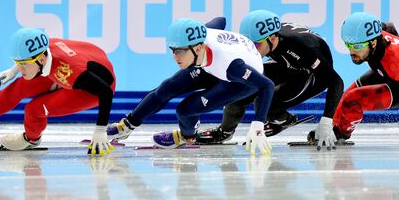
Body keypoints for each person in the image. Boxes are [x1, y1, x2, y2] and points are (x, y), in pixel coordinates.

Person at [107, 18, 275, 155]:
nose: (174, 57)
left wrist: (258, 124)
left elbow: (267, 85)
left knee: (185, 109)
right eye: (172, 50)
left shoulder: (233, 67)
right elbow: (220, 20)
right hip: (211, 63)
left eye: (180, 51)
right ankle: (127, 125)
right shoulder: (203, 34)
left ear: (198, 47)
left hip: (238, 82)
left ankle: (187, 137)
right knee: (166, 88)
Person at [0, 27, 117, 155]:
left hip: (95, 87)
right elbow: (28, 57)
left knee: (34, 109)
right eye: (17, 62)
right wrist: (13, 71)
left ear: (42, 60)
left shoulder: (70, 71)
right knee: (18, 86)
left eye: (23, 64)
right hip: (85, 58)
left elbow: (106, 92)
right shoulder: (42, 51)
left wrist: (100, 130)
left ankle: (31, 139)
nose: (20, 67)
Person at [196, 10, 344, 150]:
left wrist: (326, 122)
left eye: (255, 45)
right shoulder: (267, 40)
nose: (250, 49)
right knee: (237, 90)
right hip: (285, 64)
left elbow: (336, 81)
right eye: (247, 43)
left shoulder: (304, 47)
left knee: (268, 106)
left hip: (311, 73)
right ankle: (225, 131)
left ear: (273, 38)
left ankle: (284, 119)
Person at [322, 12, 399, 143]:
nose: (351, 51)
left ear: (373, 43)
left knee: (353, 99)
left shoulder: (398, 66)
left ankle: (341, 134)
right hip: (385, 69)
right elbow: (388, 26)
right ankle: (330, 127)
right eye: (348, 45)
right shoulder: (376, 35)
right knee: (347, 94)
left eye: (357, 46)